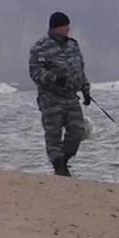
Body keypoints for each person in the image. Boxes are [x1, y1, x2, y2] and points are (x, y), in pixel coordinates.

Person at [28, 11, 92, 177]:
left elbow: (80, 69)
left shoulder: (73, 45)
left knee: (77, 131)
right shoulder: (40, 47)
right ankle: (59, 167)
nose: (68, 29)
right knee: (53, 135)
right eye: (65, 26)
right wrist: (54, 79)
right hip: (51, 99)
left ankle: (63, 160)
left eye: (68, 26)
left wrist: (85, 89)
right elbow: (35, 72)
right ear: (56, 27)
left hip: (71, 98)